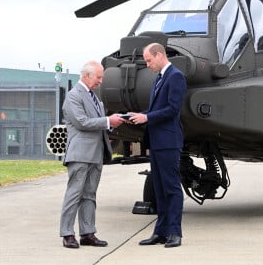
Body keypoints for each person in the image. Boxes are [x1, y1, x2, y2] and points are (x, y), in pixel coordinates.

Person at [59, 60, 126, 249]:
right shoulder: (74, 96)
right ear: (87, 75)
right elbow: (82, 122)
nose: (100, 81)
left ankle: (88, 233)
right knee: (74, 193)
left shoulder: (93, 96)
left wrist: (112, 124)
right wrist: (107, 121)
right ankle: (67, 233)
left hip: (95, 154)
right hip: (80, 154)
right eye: (98, 77)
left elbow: (96, 123)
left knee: (89, 194)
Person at [129, 43, 187, 248]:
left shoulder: (175, 77)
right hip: (157, 142)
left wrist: (147, 118)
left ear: (159, 55)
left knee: (171, 188)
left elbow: (172, 109)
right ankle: (160, 232)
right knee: (160, 189)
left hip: (168, 142)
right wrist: (139, 115)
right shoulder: (160, 79)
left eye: (149, 60)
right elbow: (157, 108)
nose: (147, 65)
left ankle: (174, 232)